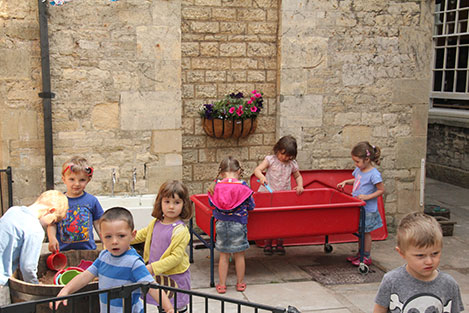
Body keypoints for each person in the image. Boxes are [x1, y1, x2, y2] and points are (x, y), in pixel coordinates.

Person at [51, 207, 175, 313]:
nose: (114, 241)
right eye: (108, 236)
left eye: (121, 236)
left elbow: (152, 287)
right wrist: (66, 290)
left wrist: (168, 308)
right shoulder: (104, 256)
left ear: (132, 235)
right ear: (101, 237)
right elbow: (85, 276)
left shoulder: (133, 262)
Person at [373, 212, 464, 313]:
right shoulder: (392, 281)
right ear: (402, 253)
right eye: (420, 256)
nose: (429, 261)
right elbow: (380, 309)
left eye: (435, 253)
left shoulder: (449, 284)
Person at [132, 180, 193, 312]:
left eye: (176, 202)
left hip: (174, 278)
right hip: (158, 276)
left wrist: (151, 268)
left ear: (184, 205)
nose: (171, 207)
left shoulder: (180, 230)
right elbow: (141, 235)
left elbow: (175, 257)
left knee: (175, 307)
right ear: (160, 202)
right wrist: (124, 237)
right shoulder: (156, 223)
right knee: (162, 306)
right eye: (167, 202)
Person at [0, 190, 68, 306]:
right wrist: (35, 287)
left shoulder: (13, 210)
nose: (48, 225)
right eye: (52, 221)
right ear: (50, 211)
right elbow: (28, 267)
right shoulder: (35, 229)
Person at [208, 156, 255, 294]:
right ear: (239, 171)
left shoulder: (216, 186)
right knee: (239, 255)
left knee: (223, 255)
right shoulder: (243, 186)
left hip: (221, 225)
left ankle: (222, 285)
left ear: (221, 173)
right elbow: (251, 205)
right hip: (238, 224)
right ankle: (240, 283)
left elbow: (212, 204)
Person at [253, 135, 304, 255]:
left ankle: (280, 243)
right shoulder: (270, 160)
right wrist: (262, 177)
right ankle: (268, 242)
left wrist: (300, 185)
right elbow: (257, 170)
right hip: (268, 195)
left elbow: (298, 176)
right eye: (282, 154)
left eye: (288, 156)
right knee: (269, 219)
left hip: (283, 196)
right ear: (277, 149)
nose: (285, 157)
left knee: (281, 219)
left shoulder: (292, 164)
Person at [337, 141, 385, 266]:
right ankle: (360, 254)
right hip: (358, 207)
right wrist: (346, 182)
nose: (355, 164)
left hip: (368, 209)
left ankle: (366, 256)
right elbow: (357, 180)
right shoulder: (359, 170)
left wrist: (367, 197)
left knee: (366, 233)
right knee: (361, 232)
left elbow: (381, 190)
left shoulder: (374, 174)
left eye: (357, 161)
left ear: (367, 159)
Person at [47, 156, 104, 252]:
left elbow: (99, 223)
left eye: (82, 180)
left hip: (88, 251)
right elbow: (52, 224)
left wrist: (105, 241)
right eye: (72, 179)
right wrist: (52, 239)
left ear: (88, 180)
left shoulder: (91, 200)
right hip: (63, 251)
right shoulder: (59, 201)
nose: (77, 184)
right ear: (64, 179)